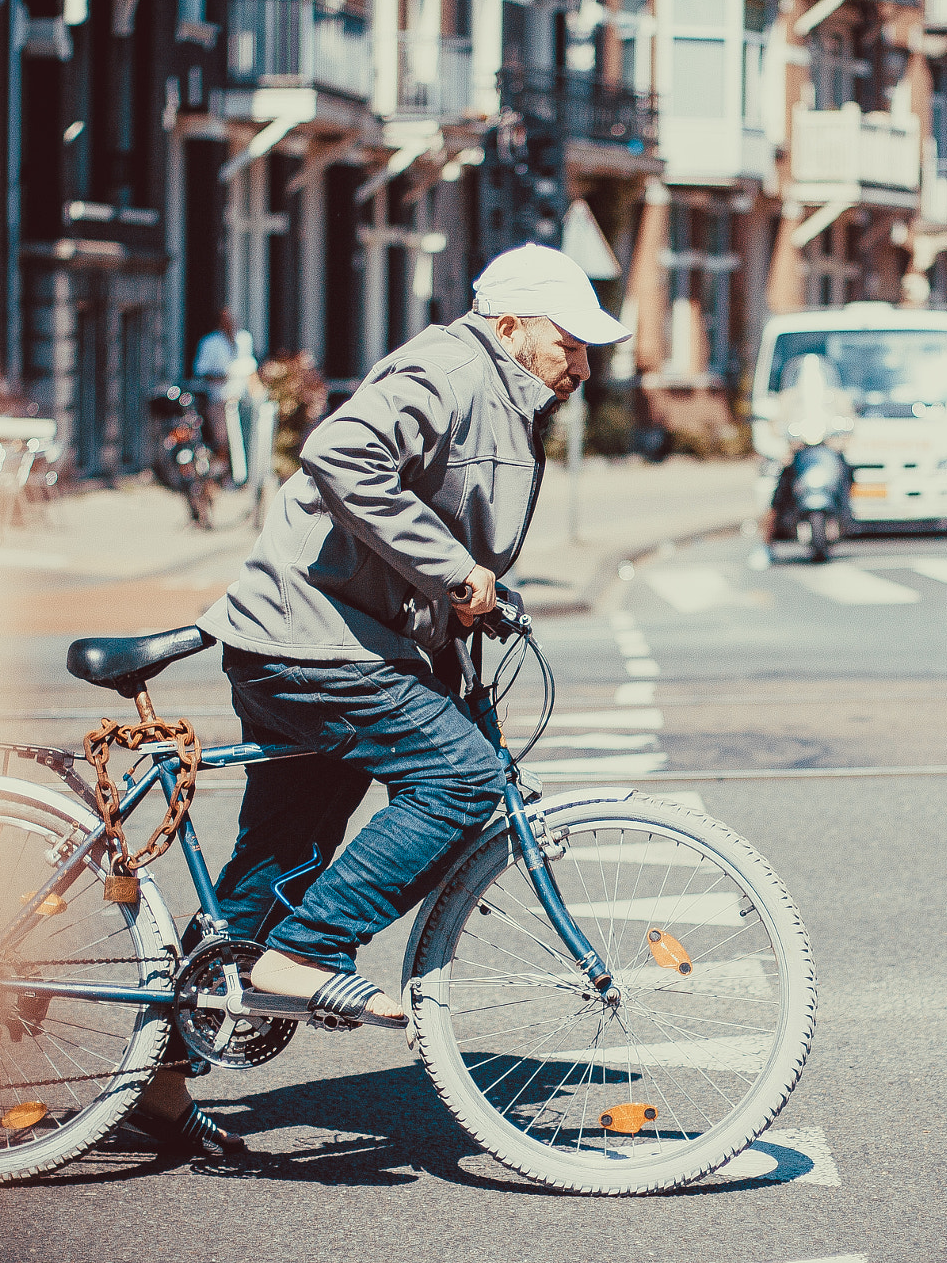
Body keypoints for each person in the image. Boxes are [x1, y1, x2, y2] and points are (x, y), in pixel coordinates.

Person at [130, 245, 629, 1157]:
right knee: (466, 783)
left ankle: (153, 1082)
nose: (585, 365)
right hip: (312, 642)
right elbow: (340, 454)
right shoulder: (448, 368)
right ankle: (308, 956)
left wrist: (463, 609)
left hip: (327, 640)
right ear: (511, 326)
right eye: (572, 342)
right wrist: (453, 572)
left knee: (279, 860)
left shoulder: (506, 389)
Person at [192, 308, 257, 461]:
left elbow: (250, 366)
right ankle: (224, 473)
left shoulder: (244, 339)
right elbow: (200, 370)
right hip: (220, 399)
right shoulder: (210, 343)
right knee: (222, 439)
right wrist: (221, 376)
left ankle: (240, 475)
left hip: (242, 398)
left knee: (243, 439)